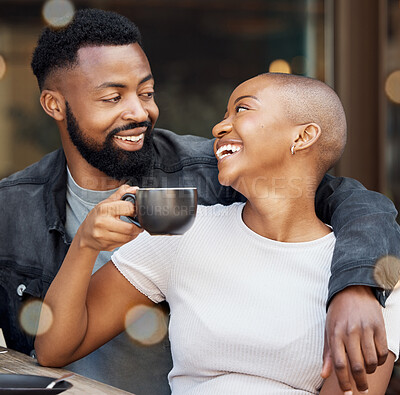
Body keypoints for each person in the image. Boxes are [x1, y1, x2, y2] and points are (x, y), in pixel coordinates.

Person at [0, 7, 399, 394]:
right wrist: (86, 244)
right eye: (112, 98)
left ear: (302, 137)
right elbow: (51, 349)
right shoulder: (14, 209)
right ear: (55, 105)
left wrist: (359, 286)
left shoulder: (199, 177)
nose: (139, 111)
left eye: (146, 92)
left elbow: (358, 203)